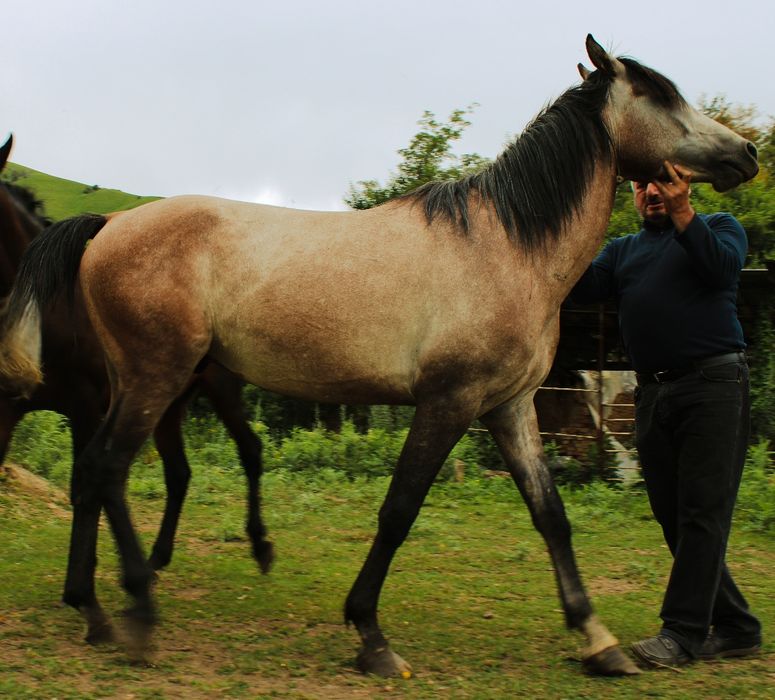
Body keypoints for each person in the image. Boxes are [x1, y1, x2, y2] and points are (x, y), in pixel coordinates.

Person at [571, 162, 762, 668]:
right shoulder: (623, 251)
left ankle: (681, 634)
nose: (651, 192)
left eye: (661, 184)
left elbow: (721, 269)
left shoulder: (721, 227)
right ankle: (738, 626)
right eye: (641, 186)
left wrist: (684, 211)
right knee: (674, 517)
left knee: (702, 512)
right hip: (654, 393)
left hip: (714, 385)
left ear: (683, 185)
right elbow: (575, 284)